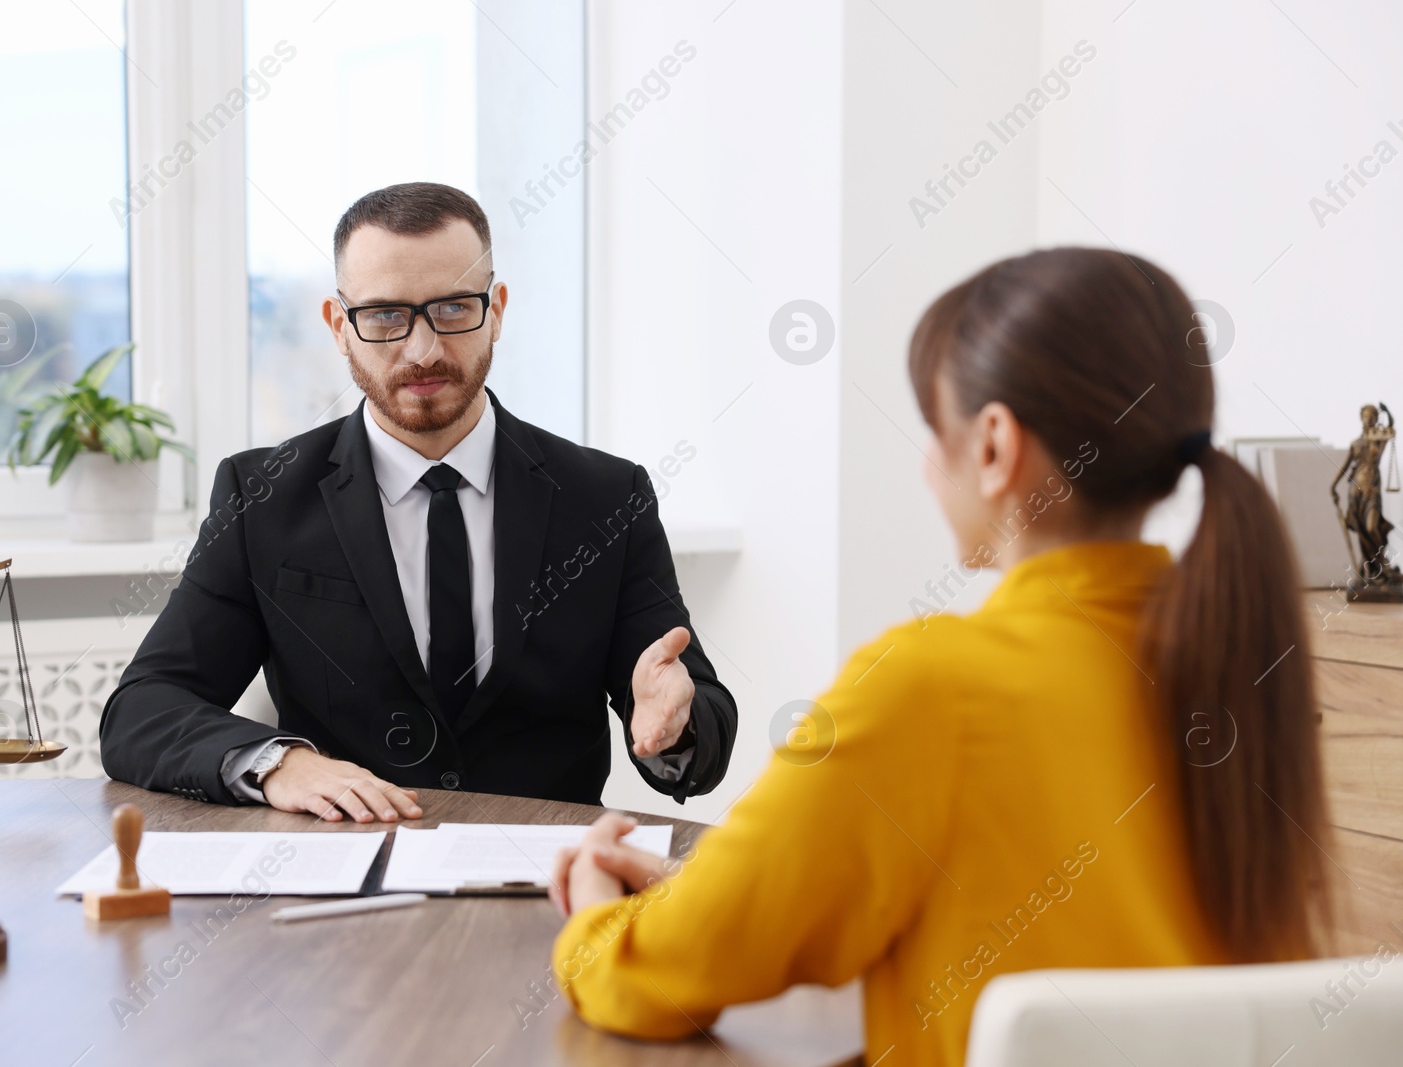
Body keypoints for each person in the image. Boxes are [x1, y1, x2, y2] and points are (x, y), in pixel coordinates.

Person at [546, 247, 1332, 1066]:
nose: (927, 465)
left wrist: (596, 915)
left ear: (994, 445)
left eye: (934, 430)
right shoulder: (1241, 654)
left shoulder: (934, 686)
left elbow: (656, 980)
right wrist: (714, 893)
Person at [100, 182, 736, 822]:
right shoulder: (261, 497)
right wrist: (278, 764)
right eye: (384, 316)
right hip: (342, 878)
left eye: (455, 308)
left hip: (553, 885)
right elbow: (143, 710)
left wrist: (675, 727)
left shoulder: (605, 497)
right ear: (338, 326)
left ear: (497, 310)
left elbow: (699, 727)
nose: (422, 349)